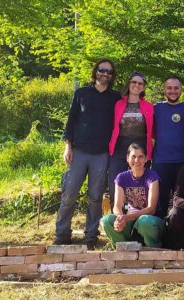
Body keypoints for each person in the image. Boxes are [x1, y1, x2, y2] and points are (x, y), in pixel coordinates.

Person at [55, 59, 121, 249]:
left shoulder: (115, 97)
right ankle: (62, 234)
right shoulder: (81, 93)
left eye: (109, 72)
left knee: (95, 196)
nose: (105, 74)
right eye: (102, 70)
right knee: (69, 193)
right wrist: (68, 146)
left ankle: (91, 235)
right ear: (96, 72)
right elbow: (70, 121)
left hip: (101, 154)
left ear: (112, 75)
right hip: (79, 152)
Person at [101, 143, 164, 248]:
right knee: (106, 220)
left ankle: (154, 251)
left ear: (146, 159)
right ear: (127, 158)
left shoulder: (152, 177)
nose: (136, 161)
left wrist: (127, 217)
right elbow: (117, 206)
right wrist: (120, 218)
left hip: (151, 222)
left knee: (144, 221)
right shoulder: (121, 177)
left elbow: (151, 209)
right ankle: (125, 249)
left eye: (140, 157)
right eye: (133, 157)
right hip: (130, 222)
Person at [108, 72, 154, 210]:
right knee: (115, 184)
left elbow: (153, 130)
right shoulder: (118, 104)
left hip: (140, 148)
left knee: (139, 186)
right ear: (129, 84)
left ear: (143, 87)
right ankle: (117, 218)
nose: (136, 85)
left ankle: (137, 220)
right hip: (119, 148)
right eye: (134, 82)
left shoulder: (148, 106)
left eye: (140, 83)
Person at [152, 77, 184, 218]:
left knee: (180, 200)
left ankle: (178, 234)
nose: (173, 91)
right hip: (160, 161)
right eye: (169, 88)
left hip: (182, 161)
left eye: (176, 88)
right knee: (160, 200)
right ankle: (159, 233)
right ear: (164, 90)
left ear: (181, 90)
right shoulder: (156, 108)